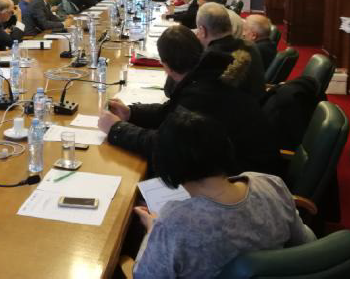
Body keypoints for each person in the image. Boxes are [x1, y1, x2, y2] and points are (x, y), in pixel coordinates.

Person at [132, 109, 315, 279]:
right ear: (226, 147)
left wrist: (152, 230)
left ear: (166, 164)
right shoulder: (271, 184)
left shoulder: (172, 223)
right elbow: (306, 242)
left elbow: (143, 276)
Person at [98, 25, 280, 175]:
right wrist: (131, 113)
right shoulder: (206, 75)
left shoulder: (201, 92)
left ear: (166, 66)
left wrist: (117, 129)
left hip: (240, 178)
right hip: (235, 166)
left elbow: (166, 145)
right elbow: (170, 111)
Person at [196, 2, 267, 102]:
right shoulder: (251, 46)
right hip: (257, 107)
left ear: (202, 31)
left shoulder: (209, 58)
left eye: (198, 31)